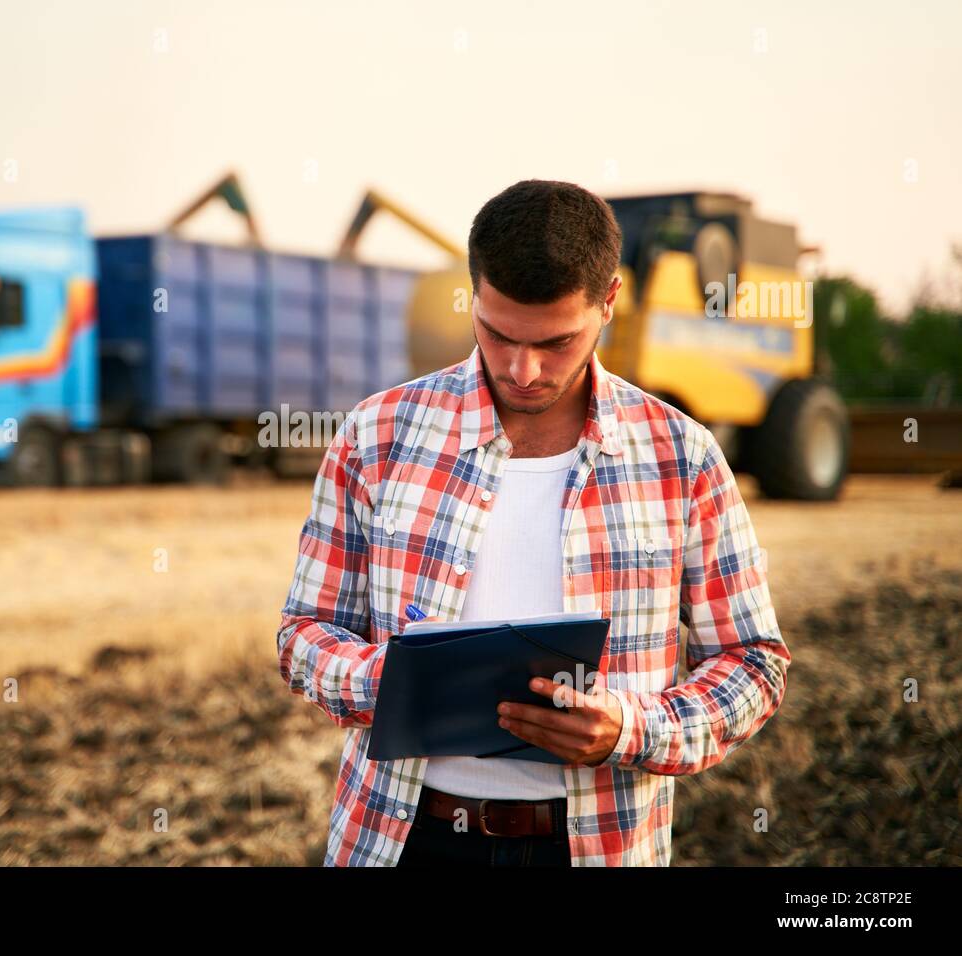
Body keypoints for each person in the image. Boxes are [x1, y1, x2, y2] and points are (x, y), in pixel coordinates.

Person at [276, 179, 790, 867]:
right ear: (473, 295)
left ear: (610, 300)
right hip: (400, 840)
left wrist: (628, 730)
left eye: (555, 342)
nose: (523, 370)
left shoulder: (682, 457)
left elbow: (754, 663)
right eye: (496, 334)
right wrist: (396, 682)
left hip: (596, 847)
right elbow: (303, 634)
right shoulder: (376, 437)